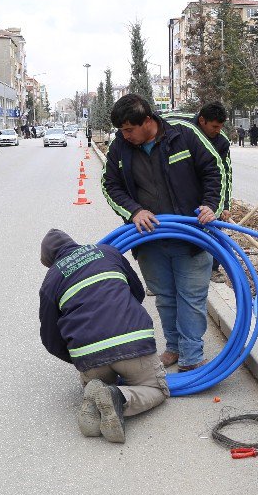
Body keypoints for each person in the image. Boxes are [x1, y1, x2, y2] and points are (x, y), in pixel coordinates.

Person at [102, 94, 226, 372]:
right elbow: (110, 185)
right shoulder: (120, 147)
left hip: (191, 236)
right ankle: (173, 348)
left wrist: (211, 205)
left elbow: (214, 170)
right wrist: (134, 211)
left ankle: (192, 357)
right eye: (122, 130)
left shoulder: (183, 135)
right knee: (166, 297)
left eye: (129, 129)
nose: (125, 135)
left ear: (147, 121)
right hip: (149, 239)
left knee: (191, 298)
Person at [38, 229, 168, 443]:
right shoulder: (107, 252)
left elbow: (50, 340)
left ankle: (94, 397)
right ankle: (118, 397)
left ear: (50, 260)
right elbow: (137, 291)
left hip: (90, 357)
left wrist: (80, 359)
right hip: (132, 344)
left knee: (97, 381)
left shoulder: (51, 279)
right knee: (156, 389)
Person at [176, 102, 232, 283]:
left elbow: (225, 173)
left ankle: (213, 268)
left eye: (221, 126)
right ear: (202, 121)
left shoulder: (221, 142)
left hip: (209, 191)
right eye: (215, 126)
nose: (218, 130)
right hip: (184, 190)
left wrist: (224, 205)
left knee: (213, 227)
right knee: (178, 230)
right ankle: (166, 277)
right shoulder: (183, 133)